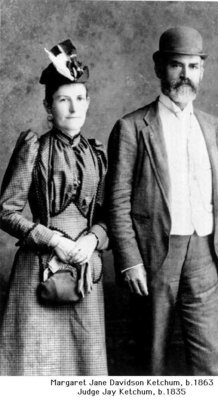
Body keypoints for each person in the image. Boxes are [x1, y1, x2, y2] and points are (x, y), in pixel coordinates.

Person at [106, 26, 218, 375]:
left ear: (202, 71)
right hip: (153, 256)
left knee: (211, 361)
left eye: (193, 67)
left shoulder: (211, 126)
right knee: (152, 359)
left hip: (205, 253)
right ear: (159, 67)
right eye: (177, 66)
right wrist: (130, 261)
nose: (185, 75)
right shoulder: (132, 127)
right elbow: (116, 202)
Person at [0, 39, 108, 375]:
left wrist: (91, 241)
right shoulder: (34, 148)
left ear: (88, 103)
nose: (73, 108)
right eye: (64, 100)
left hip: (85, 271)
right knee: (35, 363)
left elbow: (110, 217)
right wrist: (55, 241)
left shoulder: (97, 154)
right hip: (39, 267)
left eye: (79, 99)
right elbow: (5, 210)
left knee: (82, 366)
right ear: (49, 107)